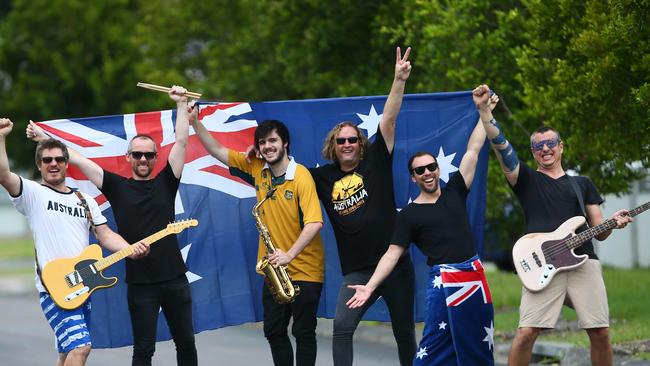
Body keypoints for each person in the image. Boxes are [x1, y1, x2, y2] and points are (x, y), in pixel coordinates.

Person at [28, 86, 197, 366]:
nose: (143, 159)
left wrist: (181, 105)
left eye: (149, 155)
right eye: (138, 155)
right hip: (141, 284)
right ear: (128, 157)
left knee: (186, 343)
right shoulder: (116, 186)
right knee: (143, 350)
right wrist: (46, 139)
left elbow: (180, 143)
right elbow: (77, 160)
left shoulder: (167, 181)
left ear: (155, 158)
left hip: (175, 279)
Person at [472, 84, 633, 366]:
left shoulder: (582, 183)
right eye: (538, 146)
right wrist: (485, 112)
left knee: (601, 332)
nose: (545, 149)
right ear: (533, 152)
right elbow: (501, 146)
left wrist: (612, 224)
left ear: (561, 146)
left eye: (550, 144)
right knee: (526, 333)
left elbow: (601, 230)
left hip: (584, 262)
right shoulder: (526, 179)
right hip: (542, 262)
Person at [346, 107, 496, 365]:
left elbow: (473, 149)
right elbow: (392, 254)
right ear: (413, 178)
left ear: (438, 170)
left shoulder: (455, 191)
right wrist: (370, 287)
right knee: (434, 347)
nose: (427, 173)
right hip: (444, 282)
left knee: (477, 348)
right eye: (420, 171)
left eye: (431, 167)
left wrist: (484, 111)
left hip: (474, 277)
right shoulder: (409, 215)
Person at [0, 118, 148, 366]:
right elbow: (4, 175)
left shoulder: (85, 200)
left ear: (67, 164)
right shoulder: (34, 194)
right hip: (54, 288)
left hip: (82, 286)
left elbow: (105, 235)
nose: (53, 164)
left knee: (66, 354)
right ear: (39, 165)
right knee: (81, 347)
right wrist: (1, 137)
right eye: (47, 160)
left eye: (59, 159)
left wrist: (131, 249)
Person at [307, 46, 416, 366]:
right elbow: (285, 170)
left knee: (404, 332)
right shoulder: (322, 177)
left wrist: (398, 80)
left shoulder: (377, 161)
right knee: (342, 328)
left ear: (361, 143)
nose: (347, 145)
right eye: (341, 141)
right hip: (357, 270)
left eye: (352, 139)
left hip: (395, 266)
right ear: (333, 146)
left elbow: (390, 118)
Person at [192, 115, 325, 366]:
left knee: (303, 332)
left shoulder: (301, 176)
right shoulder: (257, 168)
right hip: (274, 269)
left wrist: (289, 255)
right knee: (274, 331)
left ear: (285, 143)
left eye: (273, 140)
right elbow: (218, 150)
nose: (267, 146)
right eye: (262, 142)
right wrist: (193, 121)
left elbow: (315, 223)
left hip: (305, 269)